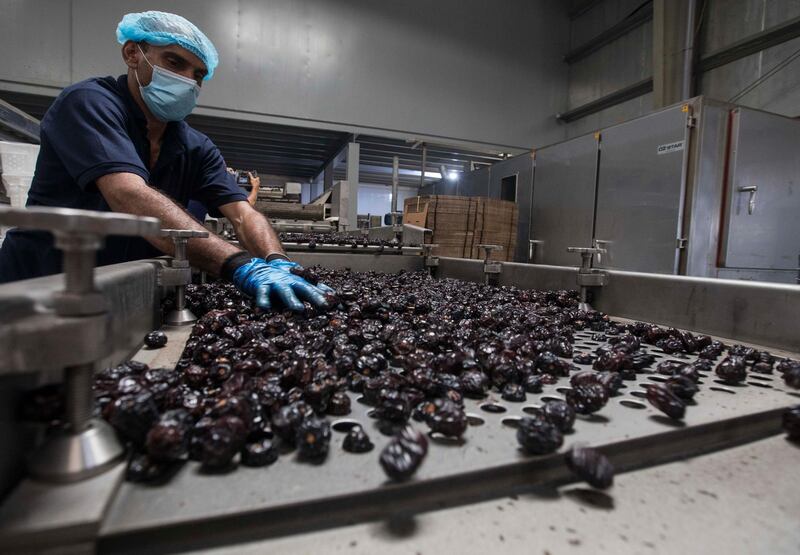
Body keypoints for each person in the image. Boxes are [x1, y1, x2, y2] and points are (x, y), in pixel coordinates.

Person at [0, 11, 329, 311]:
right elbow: (128, 193)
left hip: (123, 298)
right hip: (40, 290)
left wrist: (278, 261)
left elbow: (244, 215)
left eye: (198, 74)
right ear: (132, 54)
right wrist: (239, 264)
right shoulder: (89, 104)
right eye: (174, 63)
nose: (188, 80)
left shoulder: (195, 147)